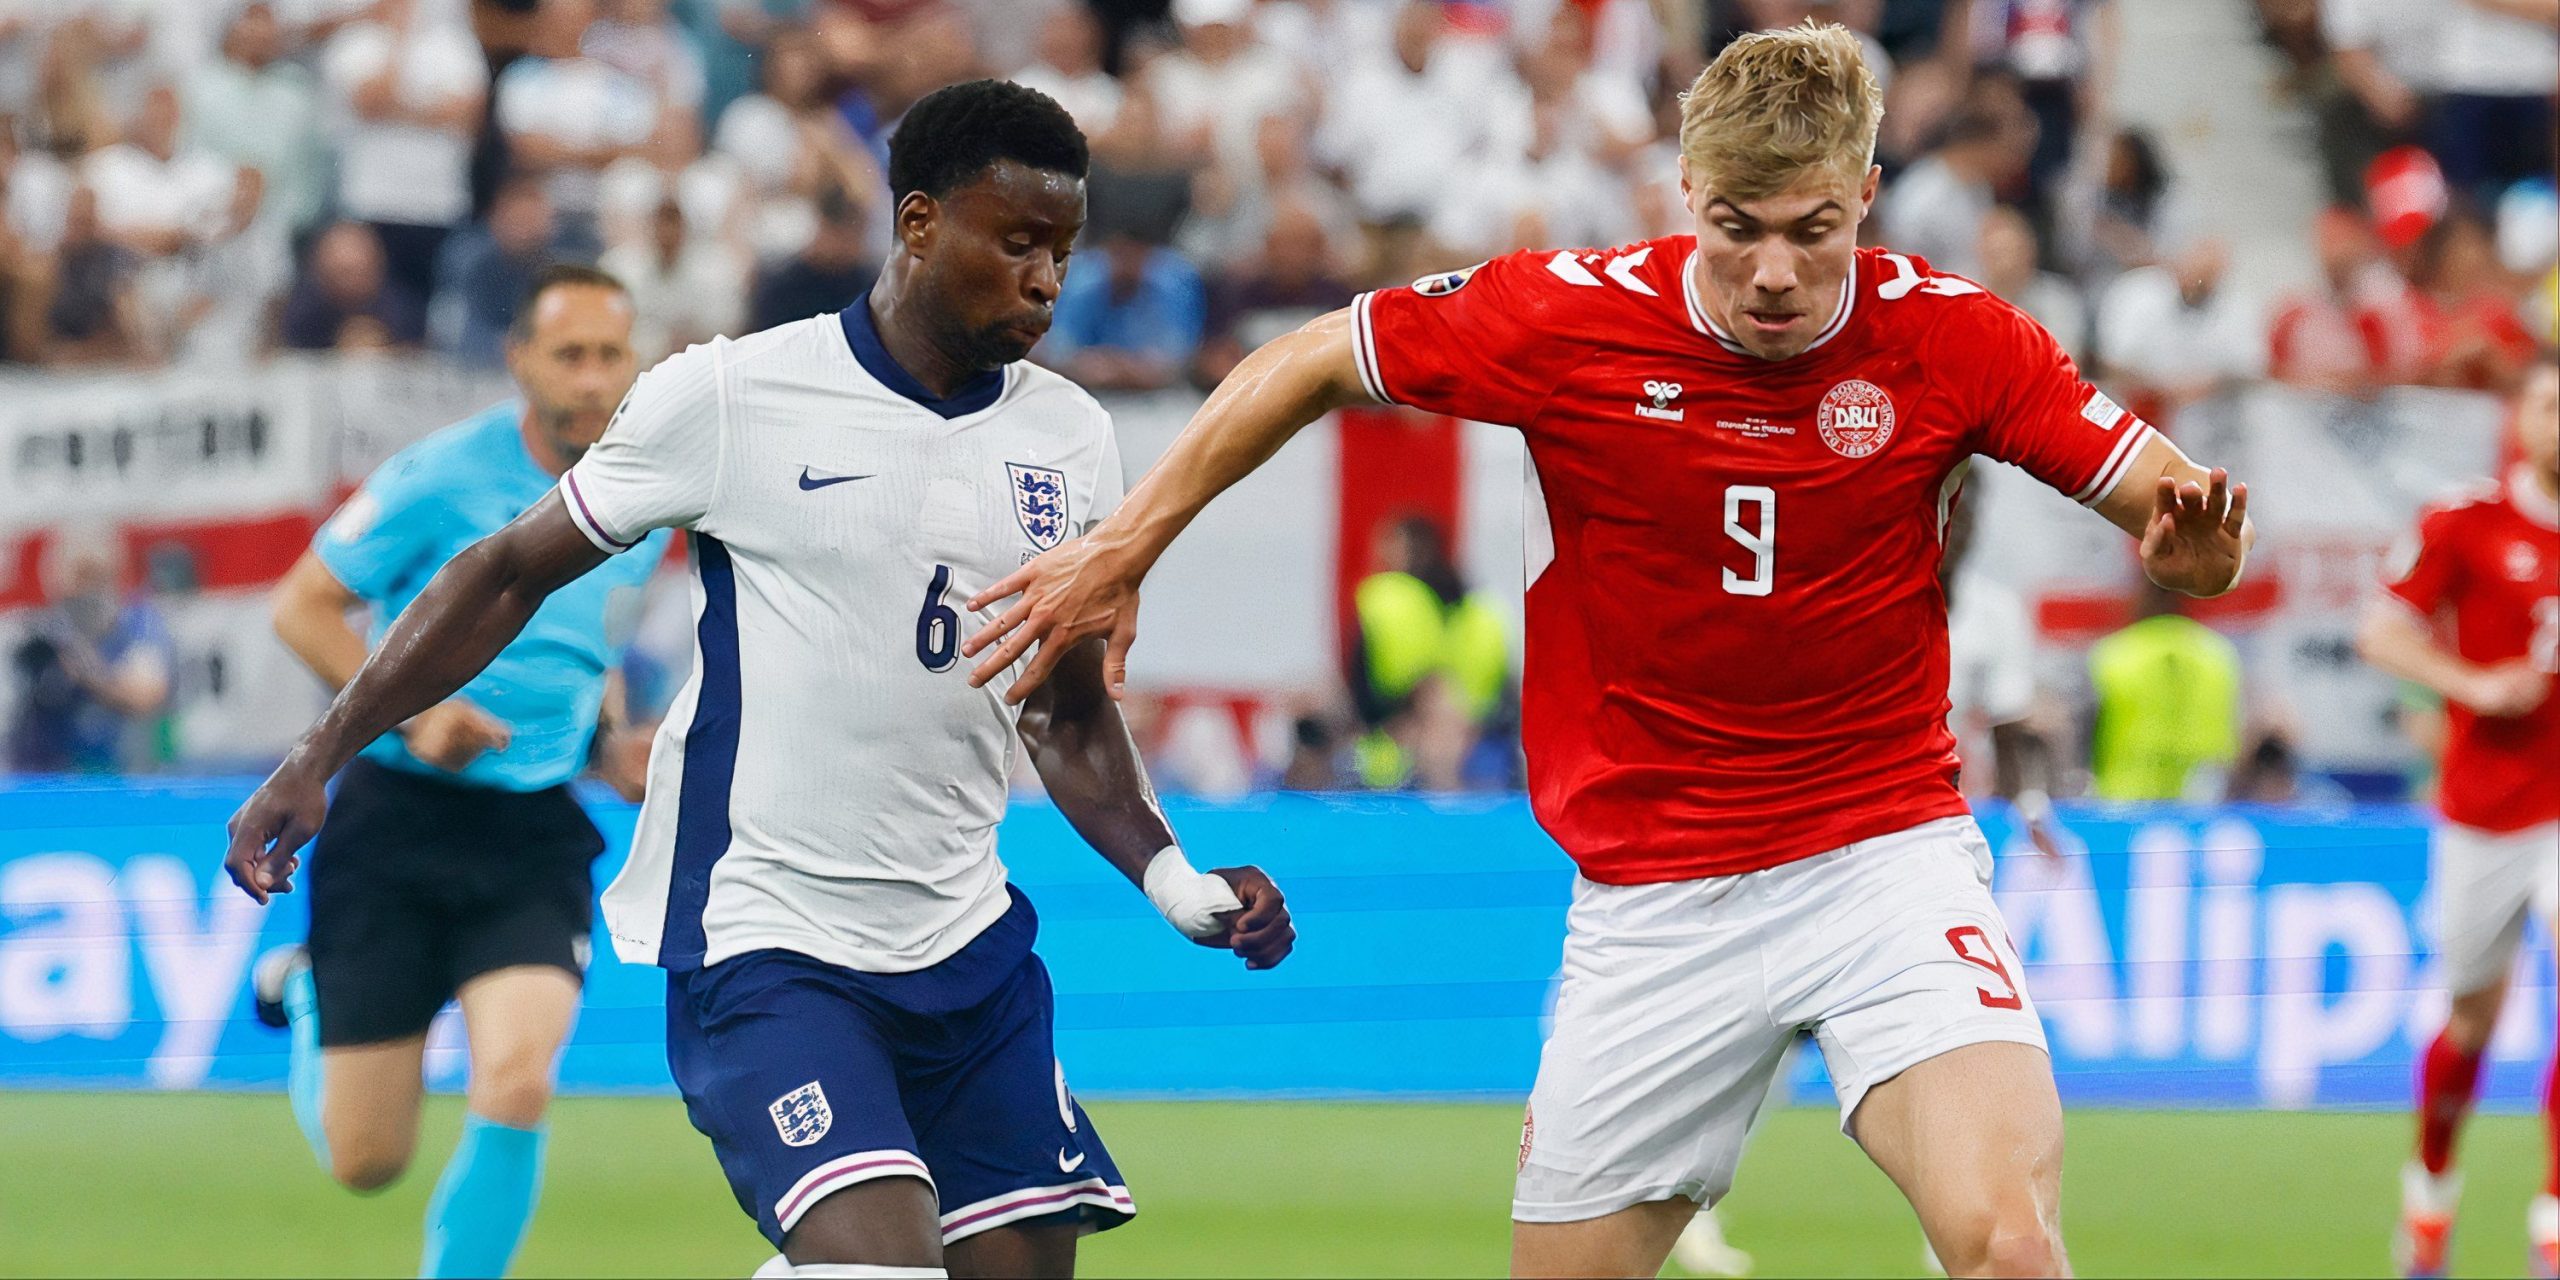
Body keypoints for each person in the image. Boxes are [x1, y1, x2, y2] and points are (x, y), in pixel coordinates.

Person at [962, 24, 2254, 1278]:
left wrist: (2196, 552)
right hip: (1653, 902)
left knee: (2012, 1247)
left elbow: (2181, 521)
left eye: (1812, 230)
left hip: (1881, 861)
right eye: (1737, 226)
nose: (1772, 273)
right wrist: (1125, 546)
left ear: (1866, 195)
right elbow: (1313, 359)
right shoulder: (1570, 317)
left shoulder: (1956, 337)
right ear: (1686, 190)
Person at [223, 80, 1295, 1280]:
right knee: (876, 1265)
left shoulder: (1071, 436)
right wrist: (318, 754)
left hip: (967, 944)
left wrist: (1173, 878)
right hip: (769, 937)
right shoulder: (734, 394)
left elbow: (1064, 702)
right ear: (920, 221)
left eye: (1062, 250)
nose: (1047, 279)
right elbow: (507, 571)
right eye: (1017, 242)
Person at [245, 265, 668, 1279]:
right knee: (367, 1159)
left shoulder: (648, 491)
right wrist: (422, 713)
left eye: (609, 354)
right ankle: (305, 989)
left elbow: (588, 647)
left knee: (518, 1081)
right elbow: (301, 605)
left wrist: (612, 740)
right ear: (519, 360)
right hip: (396, 820)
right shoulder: (440, 475)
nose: (591, 377)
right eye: (568, 354)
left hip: (532, 833)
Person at [2357, 358, 2559, 1280]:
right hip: (2486, 811)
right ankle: (2430, 1193)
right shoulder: (2466, 521)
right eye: (2549, 404)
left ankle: (2552, 1221)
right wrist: (2471, 685)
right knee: (2471, 1021)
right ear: (2520, 417)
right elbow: (2381, 631)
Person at [5, 525, 173, 773]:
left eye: (97, 575)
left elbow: (147, 693)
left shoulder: (139, 624)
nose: (88, 588)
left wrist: (90, 673)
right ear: (56, 580)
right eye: (80, 577)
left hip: (126, 774)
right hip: (49, 776)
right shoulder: (40, 634)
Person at [2085, 575, 2242, 802]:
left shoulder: (2113, 655)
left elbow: (2086, 736)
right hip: (2203, 801)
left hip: (2124, 803)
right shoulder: (2219, 655)